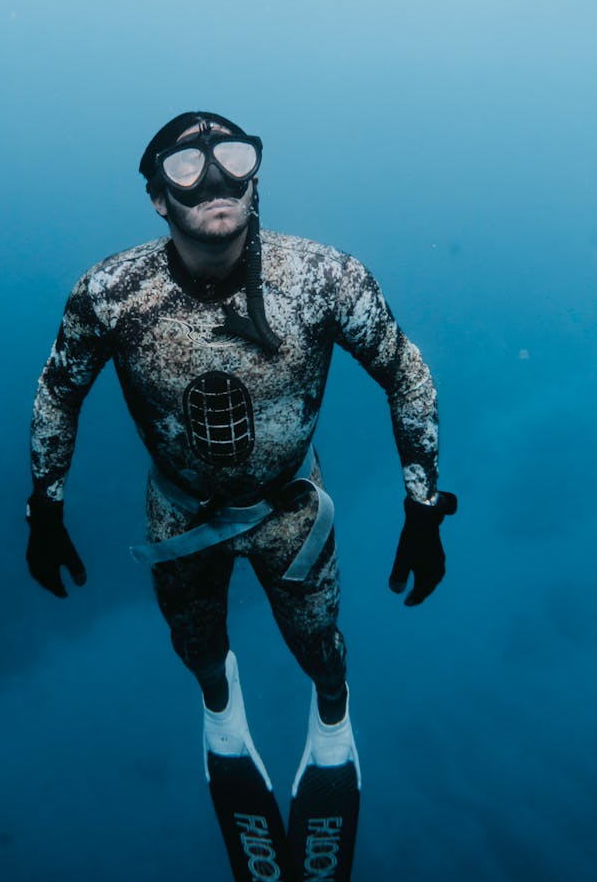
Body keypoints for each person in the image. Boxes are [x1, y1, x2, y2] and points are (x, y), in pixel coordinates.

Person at [25, 110, 456, 786]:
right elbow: (59, 391)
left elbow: (405, 373)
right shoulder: (111, 295)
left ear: (256, 178)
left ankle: (333, 715)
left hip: (289, 510)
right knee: (194, 642)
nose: (216, 178)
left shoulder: (323, 279)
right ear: (158, 197)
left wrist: (423, 507)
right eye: (187, 166)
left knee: (320, 643)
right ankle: (221, 711)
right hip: (180, 513)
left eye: (231, 157)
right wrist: (43, 510)